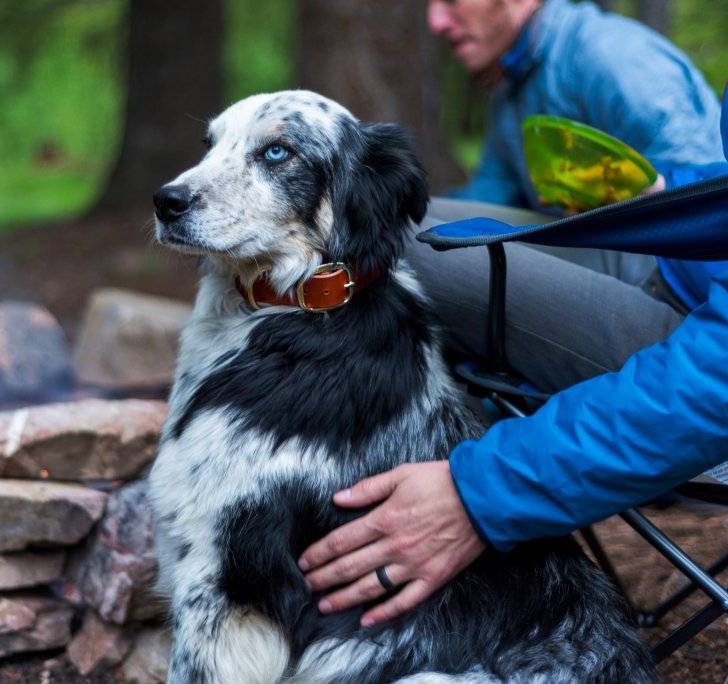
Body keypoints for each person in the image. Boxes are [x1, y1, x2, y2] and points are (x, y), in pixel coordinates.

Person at [297, 0, 728, 627]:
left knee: (378, 238)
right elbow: (484, 203)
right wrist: (683, 187)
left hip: (692, 344)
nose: (436, 23)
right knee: (401, 216)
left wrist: (481, 492)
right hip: (676, 264)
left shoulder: (612, 58)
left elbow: (716, 383)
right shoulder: (513, 84)